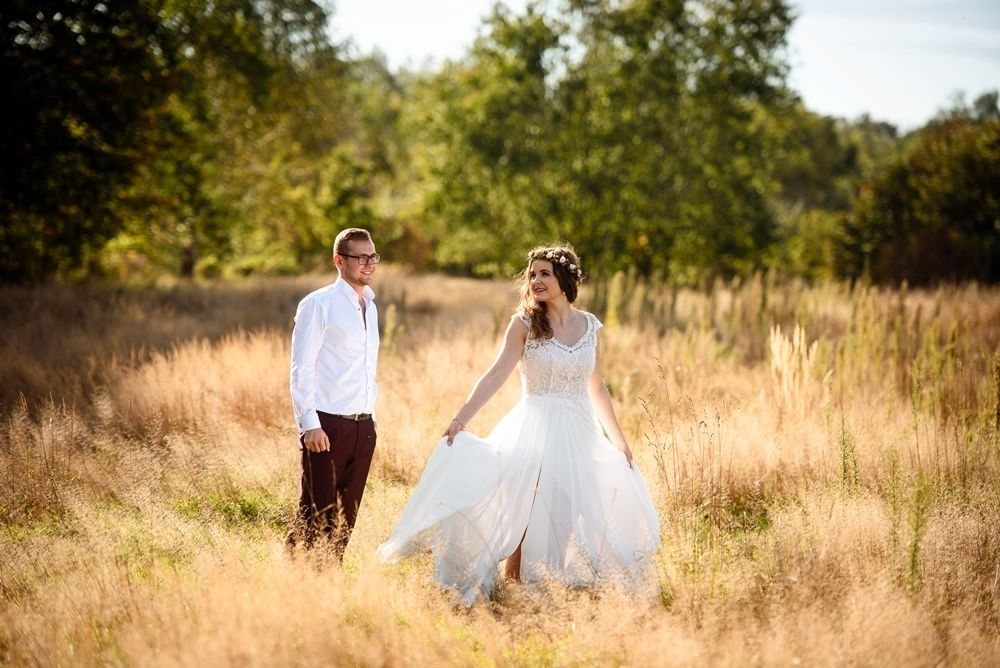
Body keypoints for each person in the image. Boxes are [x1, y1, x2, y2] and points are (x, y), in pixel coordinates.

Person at [377, 244, 660, 604]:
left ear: (565, 279)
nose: (536, 280)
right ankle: (515, 587)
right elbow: (496, 375)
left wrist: (618, 440)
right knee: (528, 507)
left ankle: (549, 585)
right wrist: (460, 419)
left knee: (568, 510)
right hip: (535, 427)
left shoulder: (589, 326)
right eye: (532, 274)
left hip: (579, 430)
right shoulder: (524, 324)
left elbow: (597, 386)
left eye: (545, 273)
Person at [286, 228, 381, 560]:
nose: (369, 264)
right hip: (327, 427)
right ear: (339, 261)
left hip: (363, 428)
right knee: (315, 514)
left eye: (373, 257)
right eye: (361, 257)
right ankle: (294, 586)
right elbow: (302, 368)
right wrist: (309, 425)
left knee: (345, 521)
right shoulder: (318, 304)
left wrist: (371, 423)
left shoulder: (370, 306)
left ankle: (328, 585)